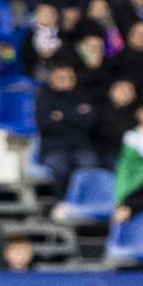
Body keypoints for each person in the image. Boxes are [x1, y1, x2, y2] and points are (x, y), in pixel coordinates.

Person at [36, 63, 99, 197]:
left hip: (80, 148)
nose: (66, 81)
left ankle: (83, 202)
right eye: (61, 77)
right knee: (60, 167)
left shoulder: (83, 96)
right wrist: (75, 115)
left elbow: (89, 122)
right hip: (54, 149)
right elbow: (45, 124)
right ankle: (61, 201)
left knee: (90, 163)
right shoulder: (44, 98)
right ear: (52, 79)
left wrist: (61, 115)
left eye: (69, 78)